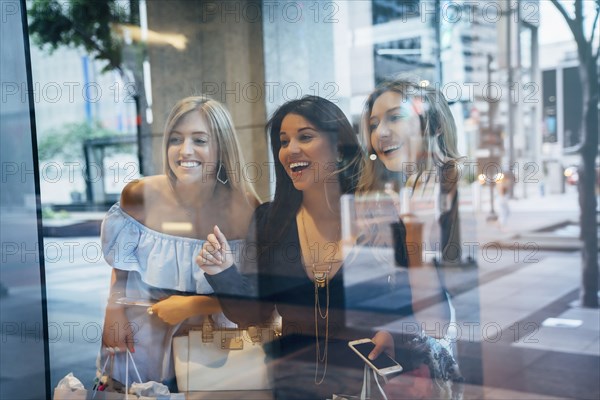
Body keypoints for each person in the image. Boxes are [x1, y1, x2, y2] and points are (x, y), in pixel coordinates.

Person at [198, 96, 454, 399]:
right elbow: (255, 314)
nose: (290, 149)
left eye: (305, 136)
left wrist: (395, 332)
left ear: (339, 146)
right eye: (283, 141)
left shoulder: (380, 213)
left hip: (370, 387)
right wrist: (223, 271)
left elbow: (429, 313)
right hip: (294, 387)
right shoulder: (271, 220)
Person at [100, 96, 259, 391]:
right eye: (176, 139)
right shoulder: (138, 195)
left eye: (199, 140)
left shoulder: (246, 209)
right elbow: (122, 268)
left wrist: (190, 306)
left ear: (221, 147)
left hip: (213, 343)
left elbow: (255, 298)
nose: (185, 151)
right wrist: (114, 311)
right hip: (142, 334)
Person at [356, 79, 464, 398]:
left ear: (432, 125)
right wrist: (394, 332)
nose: (380, 133)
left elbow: (437, 319)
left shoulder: (456, 194)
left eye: (394, 117)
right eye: (374, 124)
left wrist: (417, 231)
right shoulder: (400, 195)